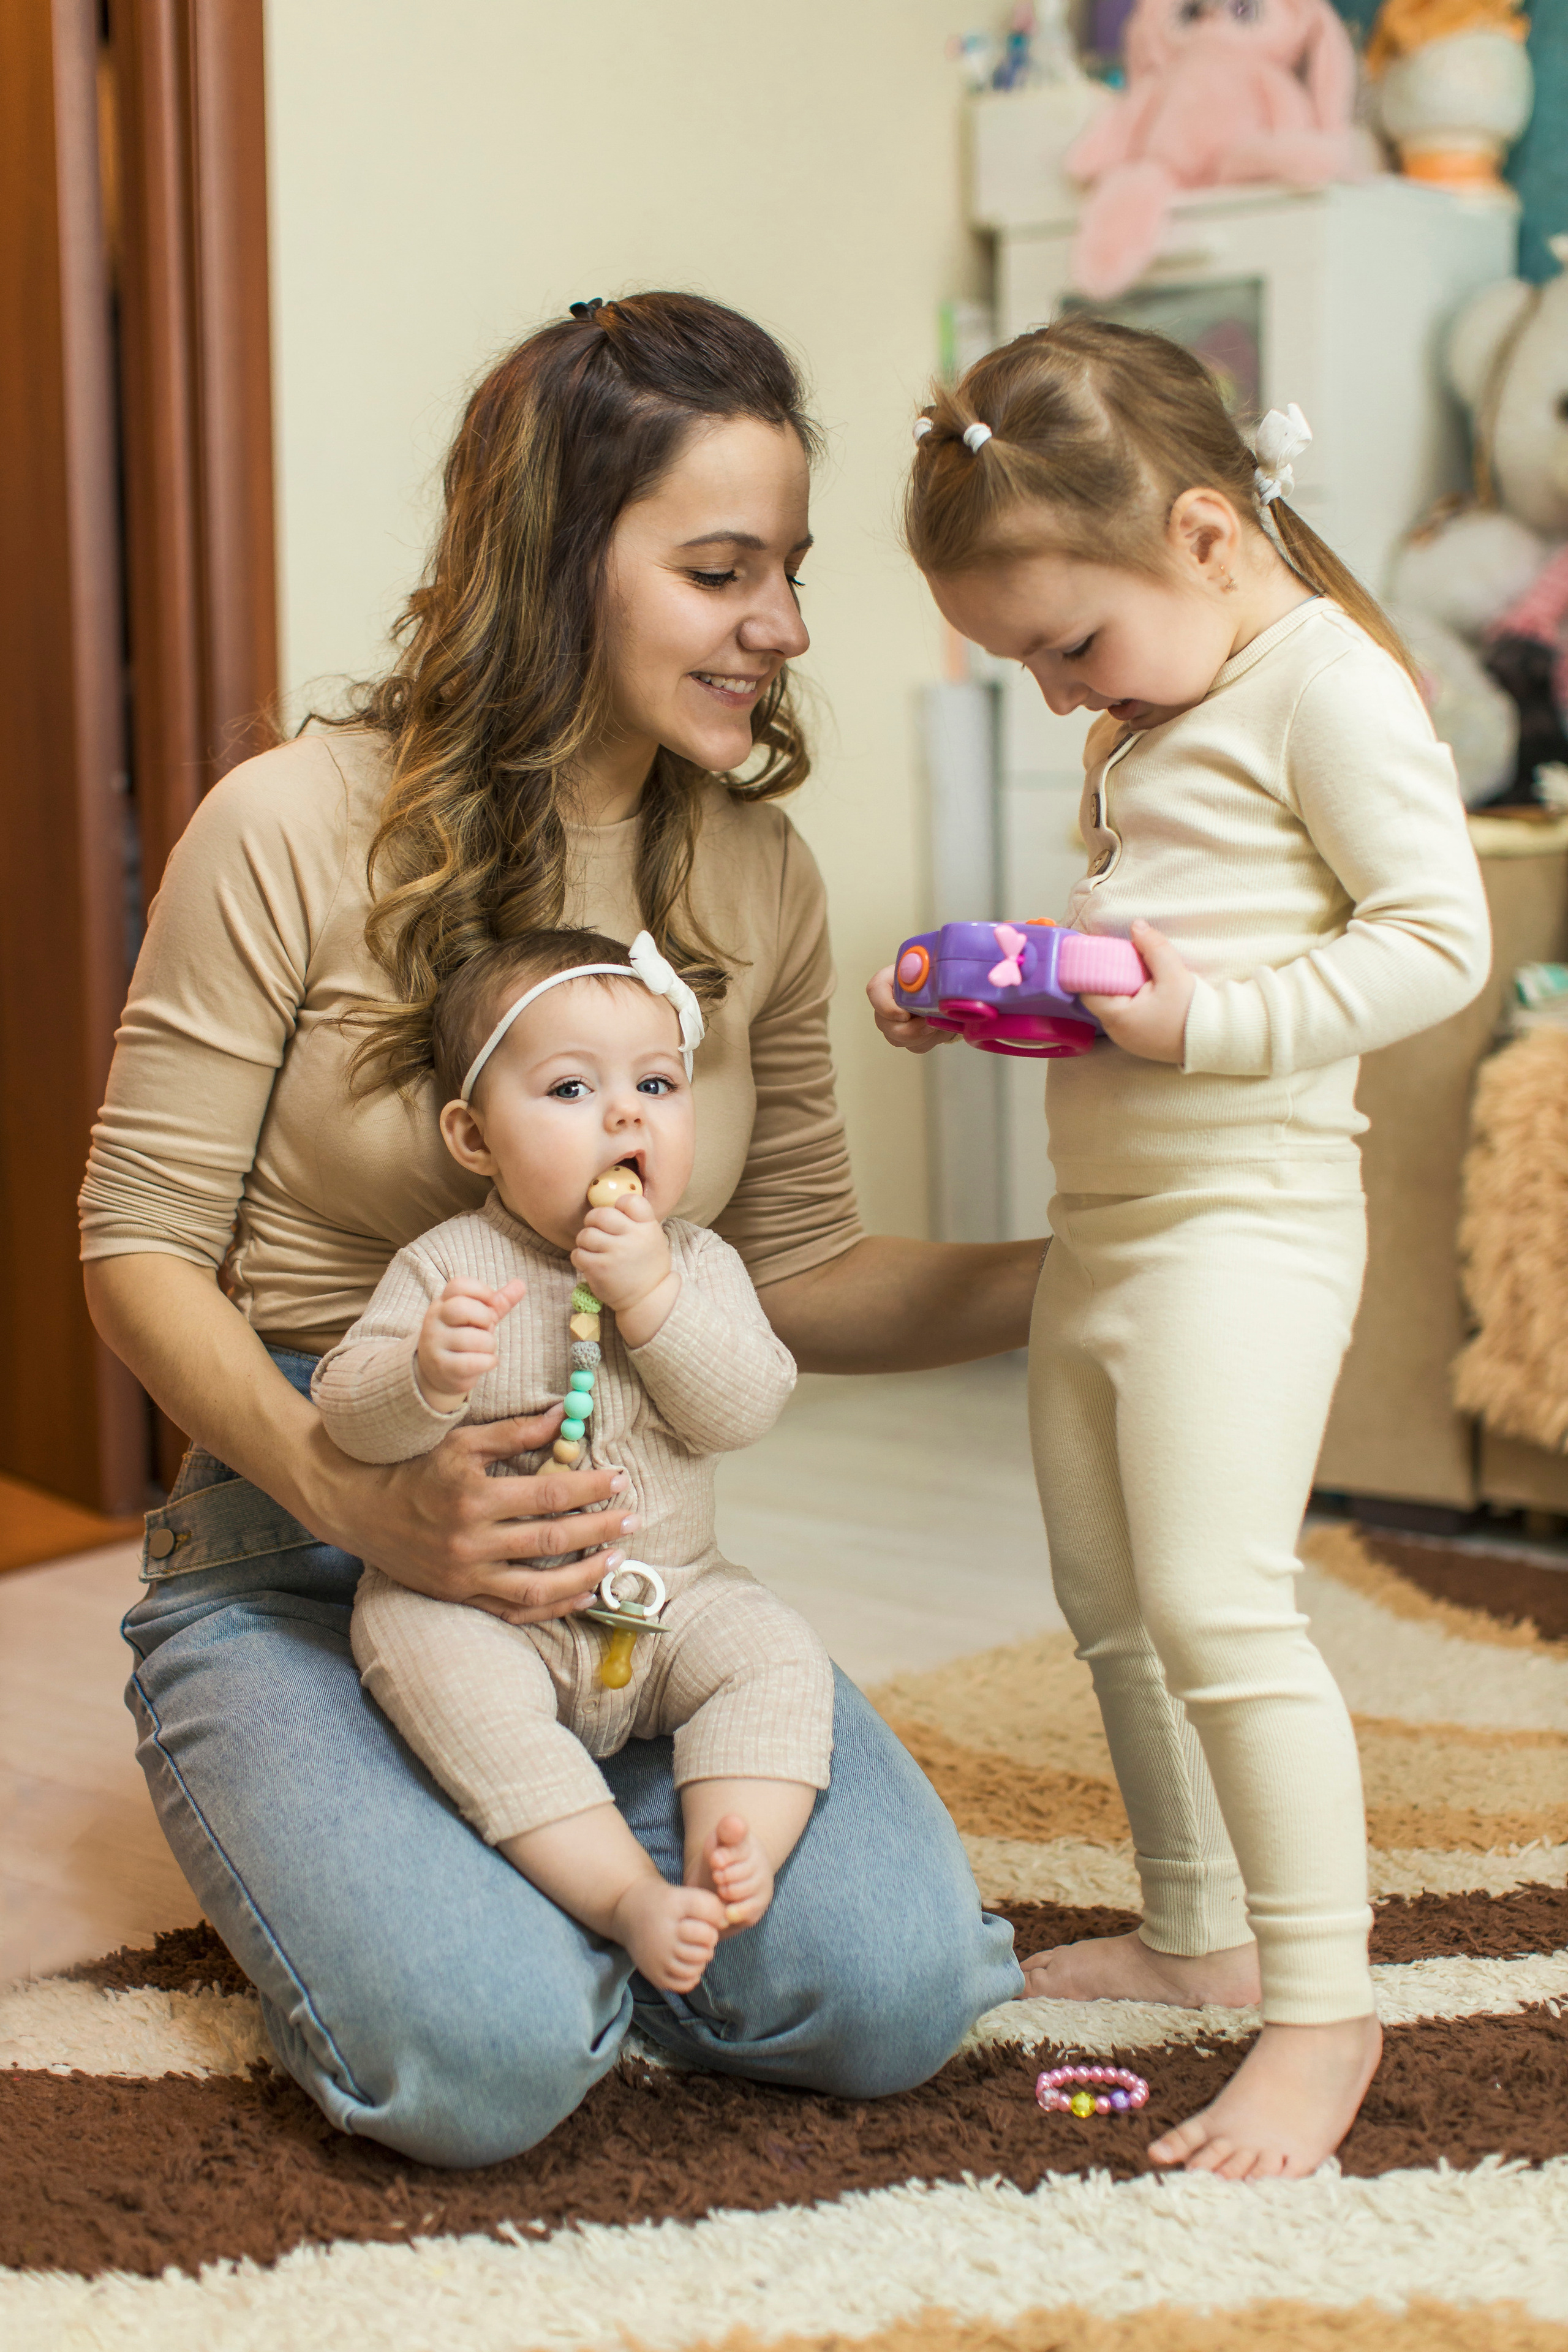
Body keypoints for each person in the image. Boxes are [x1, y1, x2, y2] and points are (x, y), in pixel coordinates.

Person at [80, 290, 1031, 2168]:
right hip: (300, 1561)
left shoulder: (753, 870)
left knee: (896, 1996)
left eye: (791, 571)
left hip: (628, 1597)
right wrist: (353, 1495)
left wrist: (1109, 1280)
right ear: (554, 565)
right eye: (721, 571)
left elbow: (807, 1272)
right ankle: (420, 1867)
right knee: (487, 2061)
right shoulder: (289, 825)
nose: (785, 626)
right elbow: (135, 1247)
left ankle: (535, 1873)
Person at [872, 317, 1490, 2180]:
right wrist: (1002, 996)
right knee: (1112, 1602)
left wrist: (1204, 1023)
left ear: (1206, 537)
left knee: (1221, 1609)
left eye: (1068, 645)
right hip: (1109, 1233)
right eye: (1020, 664)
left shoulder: (1325, 685)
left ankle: (1323, 2009)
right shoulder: (1158, 708)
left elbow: (1433, 941)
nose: (1058, 692)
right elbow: (1164, 951)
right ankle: (1192, 1925)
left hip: (1245, 1228)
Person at [315, 924, 835, 1996]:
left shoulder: (700, 1262)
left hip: (673, 1596)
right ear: (474, 1137)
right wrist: (422, 1375)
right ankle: (620, 1892)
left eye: (657, 1083)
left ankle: (732, 1851)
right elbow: (347, 1419)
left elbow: (746, 1407)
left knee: (778, 1655)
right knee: (425, 1653)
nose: (627, 1114)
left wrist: (654, 1297)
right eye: (570, 1090)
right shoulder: (448, 1266)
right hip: (486, 1613)